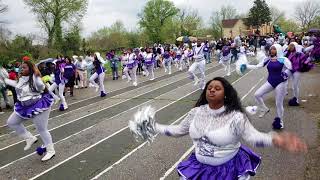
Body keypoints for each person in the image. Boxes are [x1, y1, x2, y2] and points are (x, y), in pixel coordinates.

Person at [131, 77, 307, 180]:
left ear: (226, 94)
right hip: (199, 168)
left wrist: (277, 139)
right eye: (209, 88)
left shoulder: (236, 117)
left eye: (217, 88)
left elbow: (254, 138)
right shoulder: (196, 112)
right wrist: (154, 126)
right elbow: (178, 130)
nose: (212, 91)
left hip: (228, 170)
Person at [1, 61, 56, 161]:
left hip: (39, 106)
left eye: (25, 67)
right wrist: (4, 80)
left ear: (30, 68)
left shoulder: (35, 78)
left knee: (42, 129)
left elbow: (41, 87)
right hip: (24, 107)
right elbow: (15, 84)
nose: (22, 69)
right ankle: (29, 138)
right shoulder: (21, 79)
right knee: (12, 122)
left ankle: (51, 150)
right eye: (21, 68)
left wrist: (38, 79)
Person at [246, 44, 292, 130]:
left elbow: (291, 68)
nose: (272, 50)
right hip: (270, 81)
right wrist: (246, 66)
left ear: (278, 50)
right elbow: (257, 67)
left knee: (278, 103)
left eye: (274, 49)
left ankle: (280, 121)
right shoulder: (267, 59)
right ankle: (264, 109)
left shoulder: (283, 59)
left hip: (280, 83)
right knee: (257, 94)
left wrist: (285, 74)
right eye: (271, 49)